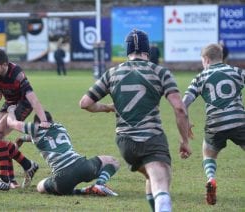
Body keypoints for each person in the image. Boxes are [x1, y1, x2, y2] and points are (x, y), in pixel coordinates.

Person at [79, 29, 192, 212]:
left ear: (127, 51)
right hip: (152, 139)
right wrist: (185, 140)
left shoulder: (112, 73)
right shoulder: (160, 72)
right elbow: (179, 108)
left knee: (151, 177)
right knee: (162, 183)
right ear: (147, 50)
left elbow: (85, 103)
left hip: (125, 143)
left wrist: (107, 107)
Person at [0, 48, 50, 191]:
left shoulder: (17, 75)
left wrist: (43, 119)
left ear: (4, 65)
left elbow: (33, 99)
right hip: (9, 102)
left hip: (23, 104)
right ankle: (28, 165)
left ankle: (4, 180)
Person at [183, 43, 245, 205]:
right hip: (239, 121)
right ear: (222, 57)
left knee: (208, 154)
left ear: (206, 59)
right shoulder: (236, 71)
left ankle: (211, 179)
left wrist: (187, 122)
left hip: (215, 125)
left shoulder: (200, 77)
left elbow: (184, 104)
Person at [7, 107, 120, 196]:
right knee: (113, 161)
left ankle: (82, 191)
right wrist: (22, 139)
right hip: (84, 167)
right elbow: (45, 137)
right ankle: (100, 184)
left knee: (40, 186)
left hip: (62, 179)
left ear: (37, 124)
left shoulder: (34, 131)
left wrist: (10, 110)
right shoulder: (60, 127)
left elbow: (12, 123)